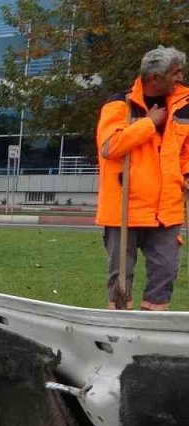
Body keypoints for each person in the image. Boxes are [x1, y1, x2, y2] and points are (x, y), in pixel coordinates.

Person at [96, 46, 189, 310]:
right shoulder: (119, 104)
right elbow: (110, 147)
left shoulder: (184, 106)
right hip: (126, 208)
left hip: (167, 208)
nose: (180, 77)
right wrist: (148, 123)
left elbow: (185, 151)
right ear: (155, 78)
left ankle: (152, 328)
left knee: (165, 273)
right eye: (175, 72)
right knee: (120, 279)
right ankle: (118, 331)